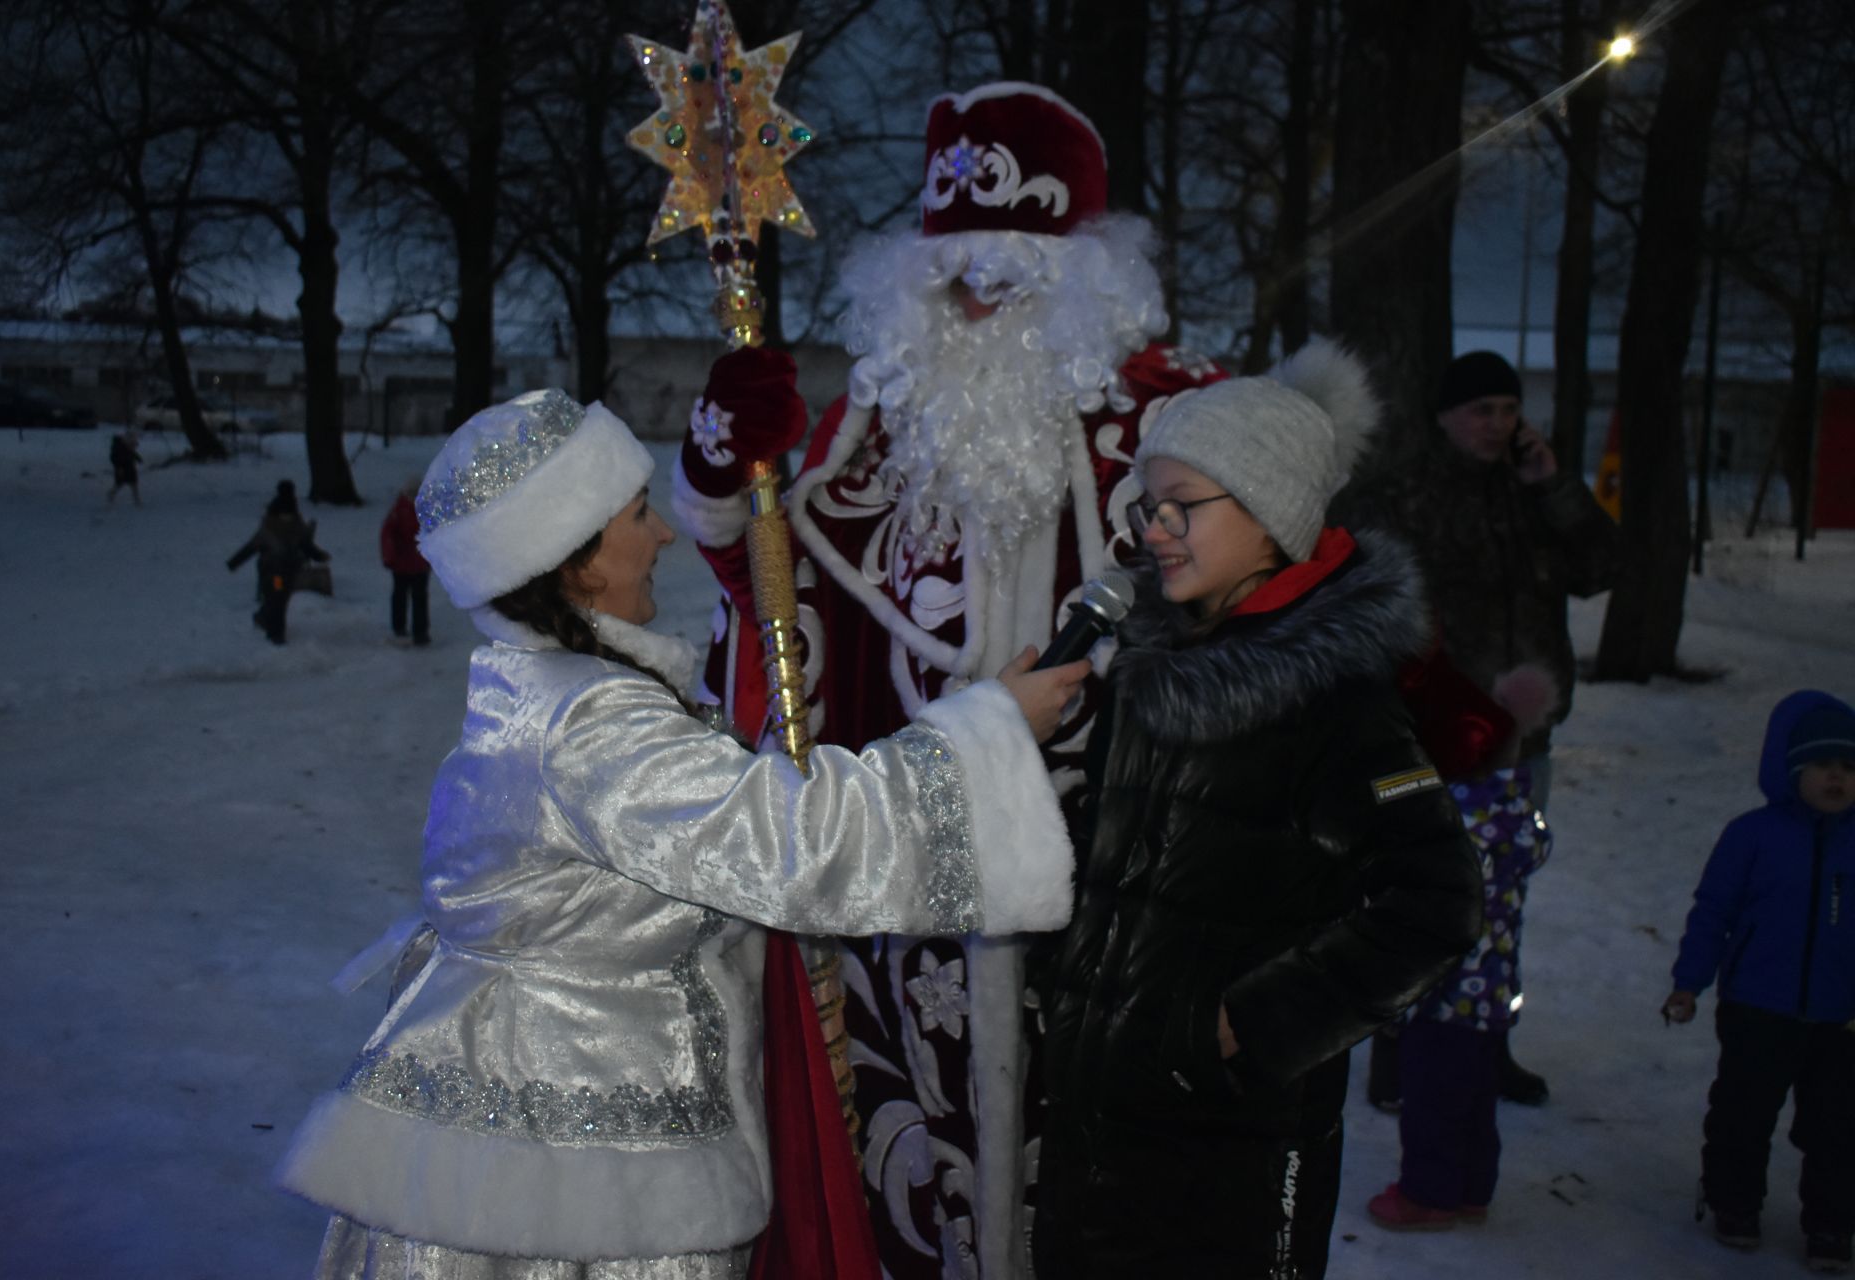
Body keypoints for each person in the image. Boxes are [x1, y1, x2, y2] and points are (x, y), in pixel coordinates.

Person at [275, 388, 1092, 1277]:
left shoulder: (544, 692)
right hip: (581, 1162)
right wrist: (988, 737)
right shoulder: (592, 726)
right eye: (636, 515)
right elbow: (793, 843)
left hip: (522, 1107)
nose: (664, 534)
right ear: (574, 561)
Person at [670, 81, 1223, 1278]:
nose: (977, 295)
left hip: (1115, 900)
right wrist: (724, 464)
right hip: (909, 906)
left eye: (1011, 269)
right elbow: (772, 593)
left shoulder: (1184, 421)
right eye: (952, 275)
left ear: (1084, 275)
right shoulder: (877, 424)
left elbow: (1278, 609)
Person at [1030, 342, 1483, 1278]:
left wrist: (1247, 1026)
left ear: (1273, 512)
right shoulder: (1156, 667)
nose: (1153, 529)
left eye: (1182, 505)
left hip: (1232, 1144)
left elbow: (1435, 901)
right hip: (1101, 1122)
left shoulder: (1338, 701)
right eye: (1148, 504)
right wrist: (1066, 959)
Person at [1333, 349, 1619, 1108]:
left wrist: (1554, 485)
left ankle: (1486, 1040)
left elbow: (1600, 566)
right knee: (1420, 893)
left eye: (1506, 409)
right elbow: (1364, 601)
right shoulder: (1403, 494)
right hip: (1438, 737)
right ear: (1444, 416)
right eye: (1480, 410)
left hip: (1526, 742)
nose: (1497, 424)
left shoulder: (1531, 491)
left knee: (1503, 897)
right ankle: (1400, 1043)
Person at [1662, 691, 1855, 1274]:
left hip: (1840, 1017)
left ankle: (1831, 1223)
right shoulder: (1753, 835)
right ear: (1793, 771)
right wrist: (1688, 983)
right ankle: (1733, 1203)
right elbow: (1713, 912)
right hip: (1757, 1008)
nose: (1837, 779)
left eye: (1849, 768)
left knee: (1838, 1127)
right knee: (1743, 1113)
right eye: (1824, 766)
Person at [1363, 655, 1552, 1231]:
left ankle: (1428, 1193)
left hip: (1441, 993)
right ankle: (1471, 1187)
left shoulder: (1448, 825)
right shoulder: (1509, 811)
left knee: (1431, 1103)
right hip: (1490, 995)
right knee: (1473, 1101)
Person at [226, 479, 330, 645]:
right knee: (277, 599)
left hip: (289, 569)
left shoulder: (294, 521)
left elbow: (305, 544)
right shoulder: (271, 524)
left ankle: (263, 618)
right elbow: (253, 546)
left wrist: (319, 556)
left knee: (278, 599)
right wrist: (234, 563)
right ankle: (276, 635)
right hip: (272, 570)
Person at [378, 476, 431, 646]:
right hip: (406, 563)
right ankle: (407, 629)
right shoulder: (402, 511)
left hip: (415, 563)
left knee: (414, 597)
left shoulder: (405, 510)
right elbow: (388, 535)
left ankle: (416, 631)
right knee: (407, 597)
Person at [107, 430, 142, 506]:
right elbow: (115, 460)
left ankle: (137, 500)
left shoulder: (125, 447)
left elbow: (132, 453)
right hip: (122, 470)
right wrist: (119, 468)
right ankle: (111, 495)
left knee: (133, 484)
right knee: (120, 484)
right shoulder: (118, 449)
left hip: (130, 468)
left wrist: (138, 459)